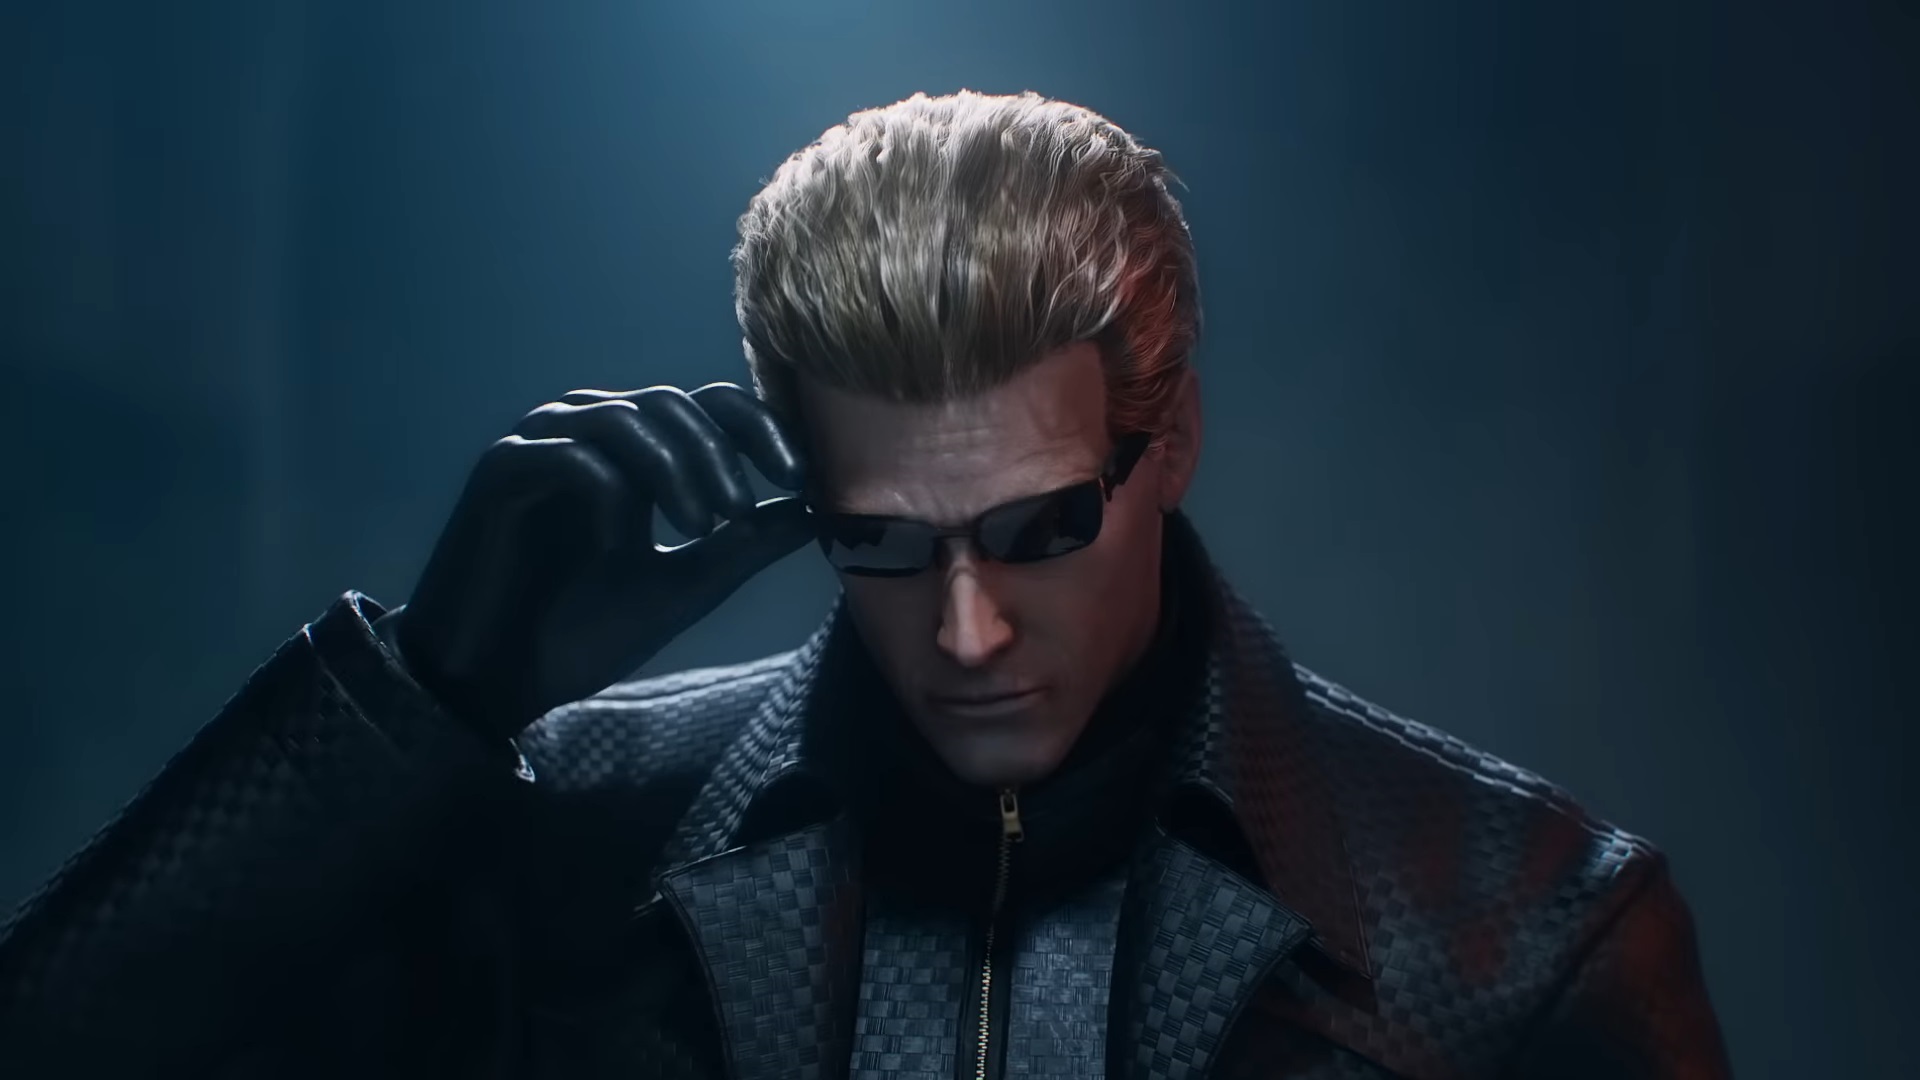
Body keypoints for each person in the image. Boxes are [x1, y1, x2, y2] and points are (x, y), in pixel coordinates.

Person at [0, 91, 1731, 1079]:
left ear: (1175, 442)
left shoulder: (1519, 929)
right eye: (884, 542)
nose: (966, 632)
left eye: (1039, 528)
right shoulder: (571, 836)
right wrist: (427, 700)